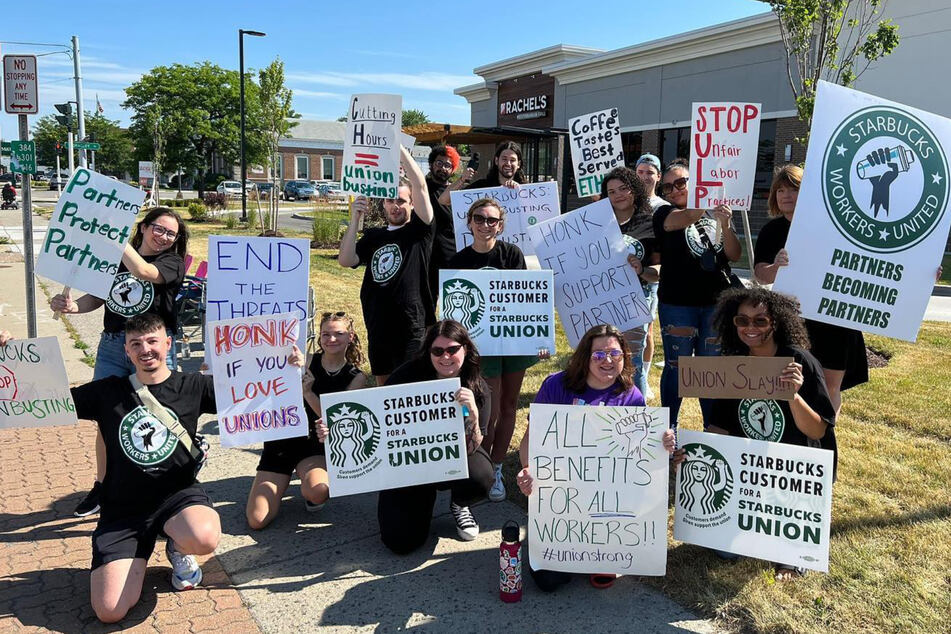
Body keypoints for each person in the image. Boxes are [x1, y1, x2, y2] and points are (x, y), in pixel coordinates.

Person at [1, 315, 302, 623]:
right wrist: (10, 361)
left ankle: (176, 545)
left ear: (167, 344)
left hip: (177, 498)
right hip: (123, 510)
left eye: (152, 341)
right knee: (108, 611)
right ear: (127, 352)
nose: (145, 349)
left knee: (206, 537)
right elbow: (47, 397)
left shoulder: (192, 385)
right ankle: (135, 556)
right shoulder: (107, 392)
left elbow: (254, 391)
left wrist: (289, 368)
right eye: (136, 344)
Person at [50, 206, 189, 518]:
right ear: (143, 227)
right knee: (106, 418)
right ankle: (103, 486)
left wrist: (114, 238)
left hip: (154, 349)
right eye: (159, 228)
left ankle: (161, 487)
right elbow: (98, 297)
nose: (164, 236)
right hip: (114, 344)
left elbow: (144, 273)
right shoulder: (113, 260)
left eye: (171, 233)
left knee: (157, 418)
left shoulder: (172, 262)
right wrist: (72, 306)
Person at [515, 324, 676, 591]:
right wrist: (528, 469)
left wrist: (662, 443)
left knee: (602, 560)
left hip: (607, 500)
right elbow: (533, 438)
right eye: (599, 355)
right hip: (561, 498)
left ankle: (601, 548)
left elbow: (639, 453)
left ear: (625, 357)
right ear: (585, 358)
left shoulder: (630, 395)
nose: (608, 361)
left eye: (615, 354)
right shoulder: (556, 385)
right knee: (549, 580)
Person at [704, 286, 836, 579]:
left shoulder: (800, 362)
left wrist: (793, 396)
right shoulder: (735, 364)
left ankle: (791, 555)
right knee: (726, 551)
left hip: (795, 468)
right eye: (742, 321)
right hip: (752, 466)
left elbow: (817, 429)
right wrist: (696, 453)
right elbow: (720, 427)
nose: (750, 328)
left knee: (788, 548)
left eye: (760, 321)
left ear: (776, 322)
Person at [447, 198, 549, 502]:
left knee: (508, 405)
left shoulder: (511, 254)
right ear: (469, 223)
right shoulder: (459, 261)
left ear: (500, 225)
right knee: (487, 412)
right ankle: (483, 466)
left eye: (492, 220)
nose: (485, 224)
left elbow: (525, 300)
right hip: (481, 346)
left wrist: (538, 340)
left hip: (513, 342)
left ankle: (498, 466)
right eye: (479, 218)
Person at [753, 165, 868, 415]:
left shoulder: (831, 226)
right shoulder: (771, 231)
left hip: (834, 317)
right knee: (796, 383)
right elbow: (760, 275)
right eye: (780, 190)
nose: (786, 195)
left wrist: (920, 275)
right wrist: (777, 266)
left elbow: (865, 259)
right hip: (793, 319)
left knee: (829, 386)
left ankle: (826, 441)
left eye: (793, 189)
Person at [374, 320, 495, 554]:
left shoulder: (476, 386)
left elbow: (474, 445)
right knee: (400, 542)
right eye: (437, 351)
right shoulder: (407, 376)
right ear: (428, 351)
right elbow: (378, 415)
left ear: (465, 349)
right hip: (413, 463)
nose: (445, 357)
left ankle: (459, 503)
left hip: (457, 455)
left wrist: (472, 414)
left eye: (452, 349)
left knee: (480, 476)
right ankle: (421, 501)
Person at [245, 311, 367, 529]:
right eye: (325, 334)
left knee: (318, 490)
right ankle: (275, 484)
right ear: (319, 337)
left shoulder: (356, 377)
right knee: (257, 520)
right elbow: (259, 372)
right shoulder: (304, 360)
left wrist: (308, 393)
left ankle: (309, 493)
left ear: (350, 336)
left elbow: (338, 419)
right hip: (282, 439)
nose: (331, 339)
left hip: (314, 444)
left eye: (338, 334)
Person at [653, 159, 742, 432]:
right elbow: (688, 217)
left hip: (716, 305)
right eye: (668, 187)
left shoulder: (717, 213)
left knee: (709, 371)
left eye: (681, 182)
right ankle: (668, 430)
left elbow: (734, 255)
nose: (675, 190)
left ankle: (712, 431)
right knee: (676, 367)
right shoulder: (664, 213)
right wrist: (708, 194)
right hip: (678, 305)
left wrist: (725, 223)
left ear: (693, 182)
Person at [339, 146, 435, 386]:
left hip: (411, 323)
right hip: (378, 321)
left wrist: (396, 145)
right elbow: (346, 260)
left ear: (412, 204)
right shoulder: (374, 236)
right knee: (385, 385)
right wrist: (354, 220)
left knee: (411, 386)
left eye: (402, 201)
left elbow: (420, 184)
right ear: (383, 204)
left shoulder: (419, 231)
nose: (395, 206)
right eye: (390, 200)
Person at [600, 167, 659, 402]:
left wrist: (642, 270)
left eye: (623, 188)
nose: (618, 195)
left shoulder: (650, 223)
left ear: (634, 189)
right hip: (599, 300)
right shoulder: (596, 223)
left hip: (636, 300)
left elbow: (659, 271)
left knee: (630, 361)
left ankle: (638, 416)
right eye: (611, 191)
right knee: (600, 357)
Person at [633, 153, 667, 397]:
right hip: (623, 278)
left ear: (658, 176)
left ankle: (642, 378)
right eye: (641, 172)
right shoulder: (626, 201)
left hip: (649, 278)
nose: (645, 176)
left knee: (646, 331)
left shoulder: (663, 207)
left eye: (650, 172)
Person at [425, 145, 471, 295]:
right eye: (439, 163)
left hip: (450, 257)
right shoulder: (422, 188)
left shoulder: (459, 193)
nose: (443, 168)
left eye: (447, 165)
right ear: (431, 164)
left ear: (453, 169)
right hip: (426, 256)